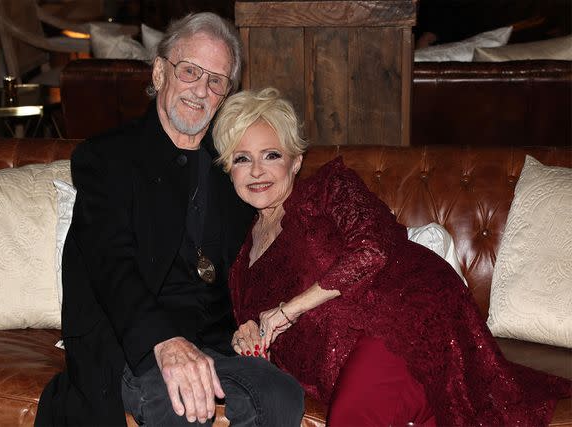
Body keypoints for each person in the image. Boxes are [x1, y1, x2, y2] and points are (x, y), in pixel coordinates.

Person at [212, 87, 571, 426]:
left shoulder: (328, 189)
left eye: (271, 155)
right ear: (230, 170)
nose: (257, 171)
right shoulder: (242, 264)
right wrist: (249, 339)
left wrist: (289, 309)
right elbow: (266, 338)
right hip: (340, 370)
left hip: (402, 320)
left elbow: (373, 248)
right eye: (242, 159)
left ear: (295, 162)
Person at [36, 15, 304, 427]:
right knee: (181, 404)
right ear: (160, 72)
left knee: (280, 393)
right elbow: (112, 265)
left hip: (213, 344)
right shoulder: (106, 159)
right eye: (190, 71)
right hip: (130, 344)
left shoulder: (231, 163)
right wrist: (164, 342)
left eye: (217, 80)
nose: (201, 89)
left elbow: (273, 231)